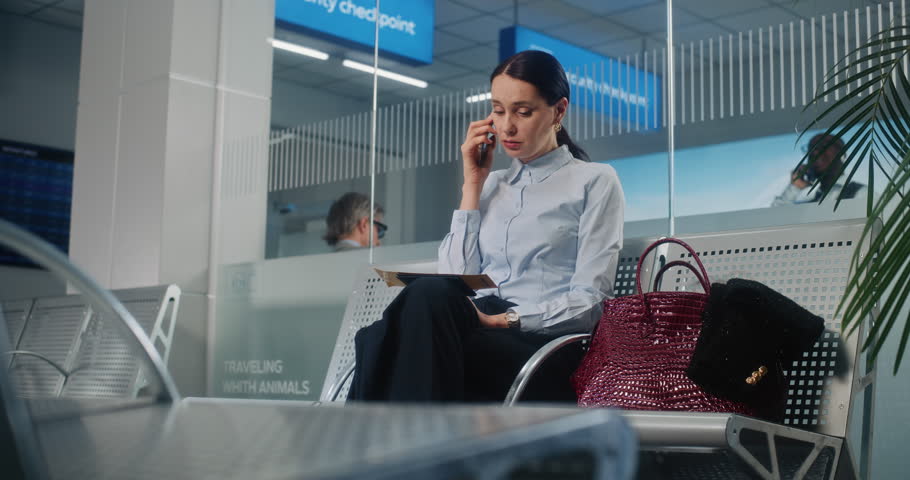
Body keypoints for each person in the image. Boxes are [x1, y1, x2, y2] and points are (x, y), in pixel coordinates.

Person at [349, 50, 625, 403]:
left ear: (558, 111)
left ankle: (383, 444)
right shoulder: (491, 185)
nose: (507, 126)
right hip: (472, 333)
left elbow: (589, 304)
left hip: (540, 349)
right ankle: (415, 447)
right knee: (425, 301)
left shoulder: (595, 181)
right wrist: (472, 184)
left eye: (522, 112)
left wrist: (501, 320)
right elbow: (456, 280)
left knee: (390, 335)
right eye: (498, 110)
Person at [772, 133, 866, 206]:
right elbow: (774, 221)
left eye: (824, 146)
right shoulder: (811, 201)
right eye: (811, 148)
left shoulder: (861, 194)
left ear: (842, 154)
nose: (815, 152)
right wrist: (794, 186)